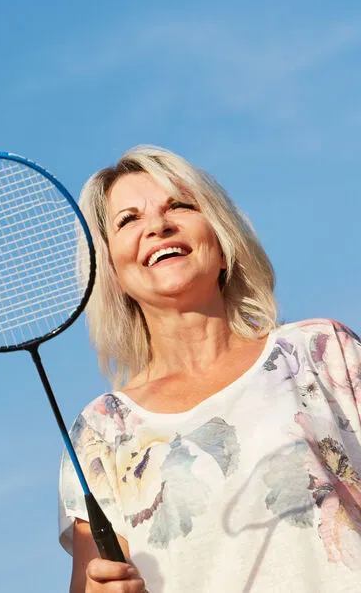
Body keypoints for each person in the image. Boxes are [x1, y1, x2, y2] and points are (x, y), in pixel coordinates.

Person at [57, 145, 361, 592]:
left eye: (178, 205)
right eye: (128, 221)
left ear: (221, 244)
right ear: (114, 275)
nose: (158, 226)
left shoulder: (321, 351)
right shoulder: (101, 430)